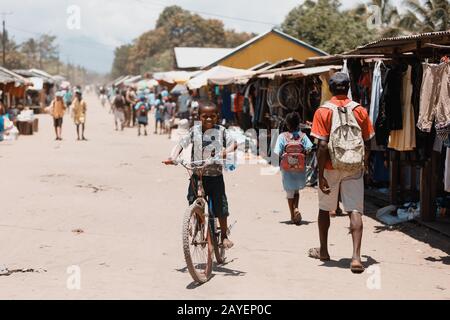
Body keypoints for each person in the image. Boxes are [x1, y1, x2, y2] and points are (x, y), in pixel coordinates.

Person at [309, 72, 374, 274]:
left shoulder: (323, 111)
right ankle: (356, 257)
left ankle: (324, 251)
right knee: (355, 210)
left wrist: (319, 175)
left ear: (329, 88)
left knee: (324, 208)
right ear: (348, 87)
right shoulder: (360, 110)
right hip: (353, 166)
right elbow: (368, 141)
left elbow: (321, 145)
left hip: (330, 167)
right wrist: (365, 162)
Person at [163, 101, 238, 249]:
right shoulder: (194, 131)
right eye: (205, 116)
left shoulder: (221, 131)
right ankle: (199, 221)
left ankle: (223, 236)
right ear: (199, 117)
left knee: (221, 205)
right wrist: (173, 157)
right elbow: (181, 144)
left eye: (212, 116)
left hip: (215, 177)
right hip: (197, 175)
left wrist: (225, 151)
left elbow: (233, 143)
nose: (209, 119)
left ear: (217, 116)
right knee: (192, 199)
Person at [274, 112, 313, 225]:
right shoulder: (303, 136)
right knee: (296, 190)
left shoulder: (282, 136)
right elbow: (310, 148)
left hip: (287, 168)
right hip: (300, 167)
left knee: (289, 192)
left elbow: (277, 152)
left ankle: (292, 215)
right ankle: (296, 208)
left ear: (287, 124)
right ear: (298, 124)